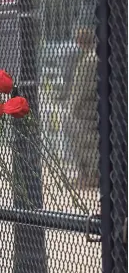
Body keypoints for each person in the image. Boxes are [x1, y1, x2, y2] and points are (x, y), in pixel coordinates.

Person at [63, 26, 99, 189]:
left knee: (70, 123)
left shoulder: (89, 60)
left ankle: (90, 174)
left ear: (79, 42)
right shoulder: (98, 56)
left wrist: (71, 111)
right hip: (95, 107)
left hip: (88, 111)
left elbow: (79, 94)